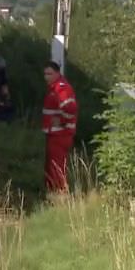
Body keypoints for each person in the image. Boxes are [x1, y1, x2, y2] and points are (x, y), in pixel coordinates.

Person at [42, 60, 78, 193]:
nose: (46, 77)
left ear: (57, 73)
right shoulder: (55, 87)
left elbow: (70, 108)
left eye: (50, 74)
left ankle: (59, 194)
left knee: (56, 166)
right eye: (45, 74)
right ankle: (52, 192)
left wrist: (62, 121)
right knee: (52, 165)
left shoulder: (61, 88)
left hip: (60, 134)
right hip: (54, 133)